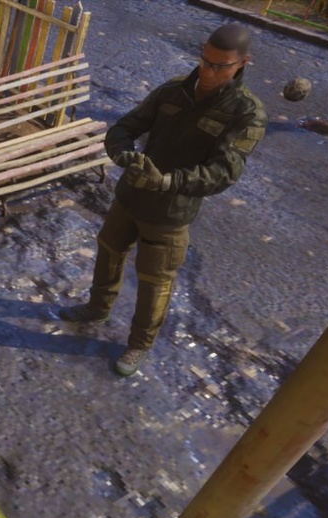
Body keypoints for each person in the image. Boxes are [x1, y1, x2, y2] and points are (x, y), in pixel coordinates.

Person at [59, 23, 267, 376]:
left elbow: (223, 173)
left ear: (243, 63)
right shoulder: (174, 90)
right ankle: (97, 307)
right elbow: (125, 127)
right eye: (205, 60)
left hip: (171, 213)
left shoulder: (246, 112)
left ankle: (139, 344)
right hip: (131, 196)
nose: (208, 71)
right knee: (109, 251)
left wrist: (169, 181)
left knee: (155, 279)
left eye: (220, 66)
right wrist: (123, 153)